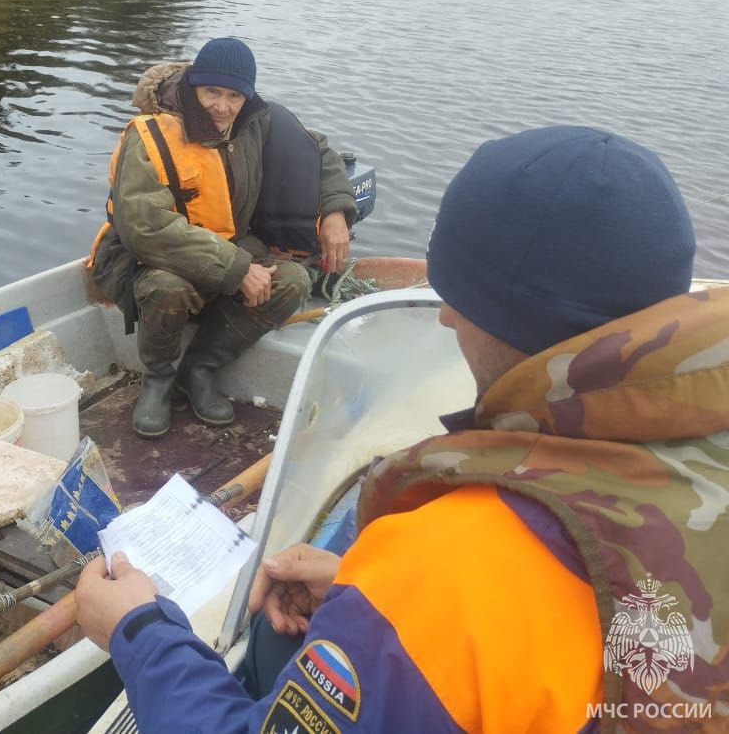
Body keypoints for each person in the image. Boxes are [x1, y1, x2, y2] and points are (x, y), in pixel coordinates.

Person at [76, 126, 728, 730]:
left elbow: (469, 603)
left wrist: (138, 630)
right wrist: (373, 601)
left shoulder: (447, 574)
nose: (446, 321)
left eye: (460, 297)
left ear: (514, 316)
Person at [88, 37, 357, 438]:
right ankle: (159, 379)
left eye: (233, 95)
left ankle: (199, 368)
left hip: (230, 249)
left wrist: (336, 209)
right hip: (150, 259)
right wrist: (238, 268)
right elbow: (147, 227)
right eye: (212, 91)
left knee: (293, 282)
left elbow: (318, 152)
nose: (222, 105)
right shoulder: (148, 136)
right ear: (193, 85)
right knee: (168, 286)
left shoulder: (253, 122)